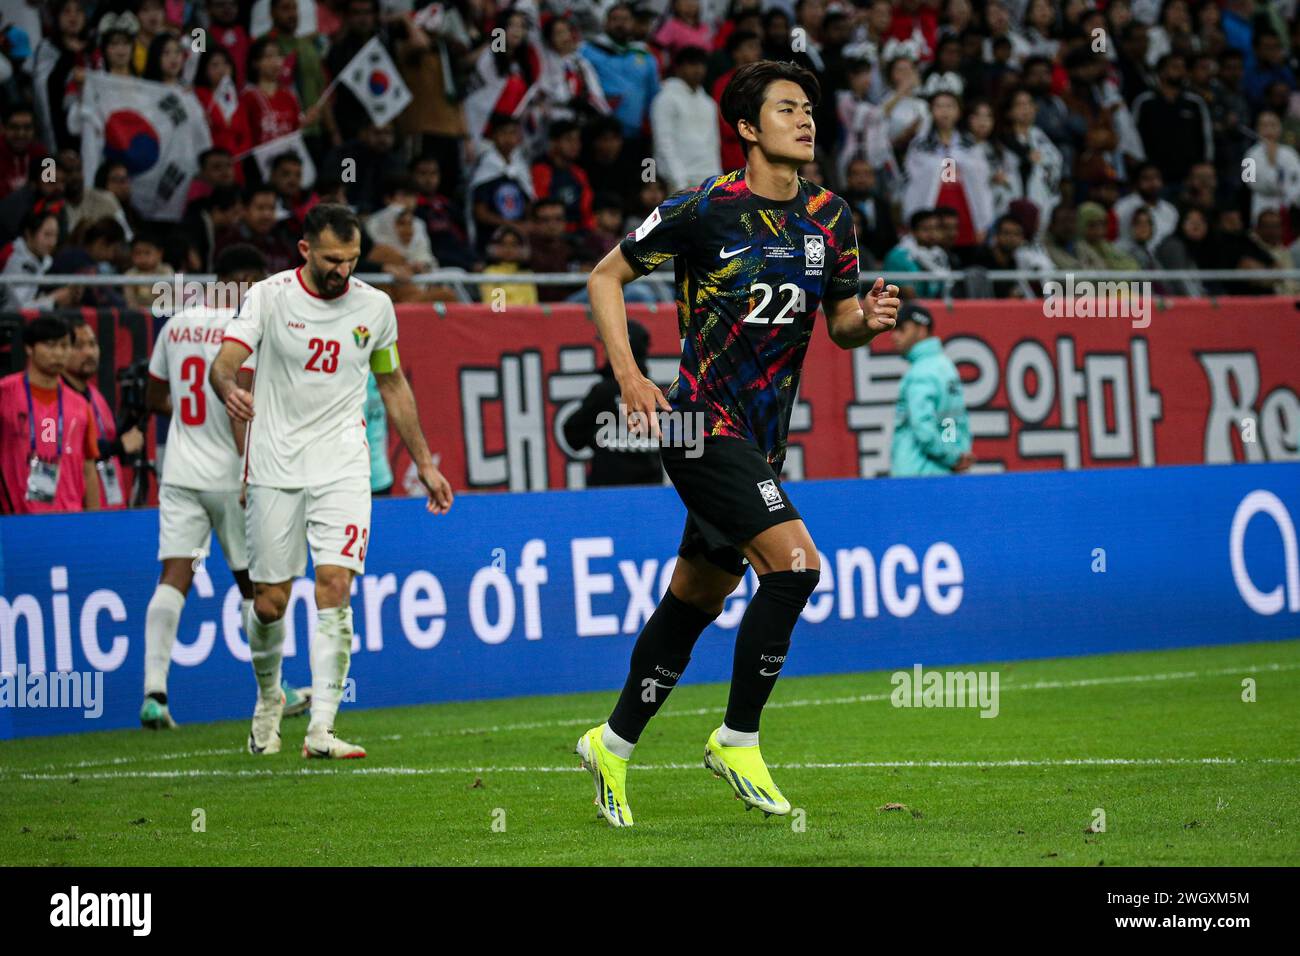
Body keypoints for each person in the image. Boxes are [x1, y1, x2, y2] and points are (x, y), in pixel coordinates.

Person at [578, 60, 900, 827]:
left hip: (760, 440)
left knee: (697, 597)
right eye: (787, 108)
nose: (806, 119)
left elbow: (842, 325)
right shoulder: (704, 209)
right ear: (749, 129)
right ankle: (737, 737)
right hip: (698, 423)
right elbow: (603, 277)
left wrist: (869, 320)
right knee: (795, 566)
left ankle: (612, 743)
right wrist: (629, 377)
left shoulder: (832, 218)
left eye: (810, 109)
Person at [209, 204, 454, 759]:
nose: (343, 271)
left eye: (351, 260)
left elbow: (392, 384)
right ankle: (269, 698)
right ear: (304, 252)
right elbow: (224, 364)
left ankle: (321, 727)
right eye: (331, 260)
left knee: (335, 587)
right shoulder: (269, 296)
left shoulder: (375, 306)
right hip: (273, 464)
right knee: (270, 602)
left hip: (344, 464)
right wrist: (228, 388)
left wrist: (424, 462)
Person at [139, 244, 309, 728]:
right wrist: (249, 468)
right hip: (231, 476)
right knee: (256, 588)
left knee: (175, 576)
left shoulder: (175, 325)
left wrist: (191, 421)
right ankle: (274, 693)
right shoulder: (245, 332)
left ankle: (155, 694)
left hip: (179, 473)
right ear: (250, 282)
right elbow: (245, 410)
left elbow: (155, 396)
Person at [0, 317, 100, 515]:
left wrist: (95, 521)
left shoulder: (79, 404)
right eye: (50, 345)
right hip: (16, 520)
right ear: (30, 349)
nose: (59, 353)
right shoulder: (5, 394)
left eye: (65, 346)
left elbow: (88, 468)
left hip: (69, 518)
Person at [562, 320, 662, 487]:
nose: (604, 352)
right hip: (650, 495)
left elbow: (573, 435)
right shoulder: (656, 393)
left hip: (607, 498)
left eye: (607, 345)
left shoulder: (603, 392)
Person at [62, 316, 144, 510]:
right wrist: (118, 446)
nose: (89, 352)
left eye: (92, 344)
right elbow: (65, 451)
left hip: (107, 507)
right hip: (70, 511)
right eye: (78, 346)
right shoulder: (55, 401)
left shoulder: (96, 396)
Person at [889, 303, 972, 477]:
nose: (894, 336)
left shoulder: (920, 373)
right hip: (943, 476)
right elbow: (952, 421)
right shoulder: (946, 367)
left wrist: (951, 458)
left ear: (921, 330)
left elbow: (923, 428)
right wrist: (955, 456)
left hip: (915, 478)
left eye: (902, 329)